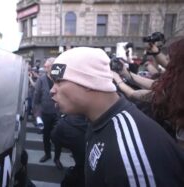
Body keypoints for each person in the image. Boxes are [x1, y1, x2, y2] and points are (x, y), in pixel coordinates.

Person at [50, 47, 184, 186]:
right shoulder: (98, 120)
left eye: (58, 81)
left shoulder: (130, 156)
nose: (52, 90)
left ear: (89, 81)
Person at [33, 57, 63, 169]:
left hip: (59, 114)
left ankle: (57, 158)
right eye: (45, 66)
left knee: (58, 137)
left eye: (46, 66)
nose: (45, 68)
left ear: (53, 67)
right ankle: (47, 154)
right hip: (45, 114)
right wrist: (37, 115)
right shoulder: (41, 80)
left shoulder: (59, 79)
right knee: (46, 136)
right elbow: (36, 98)